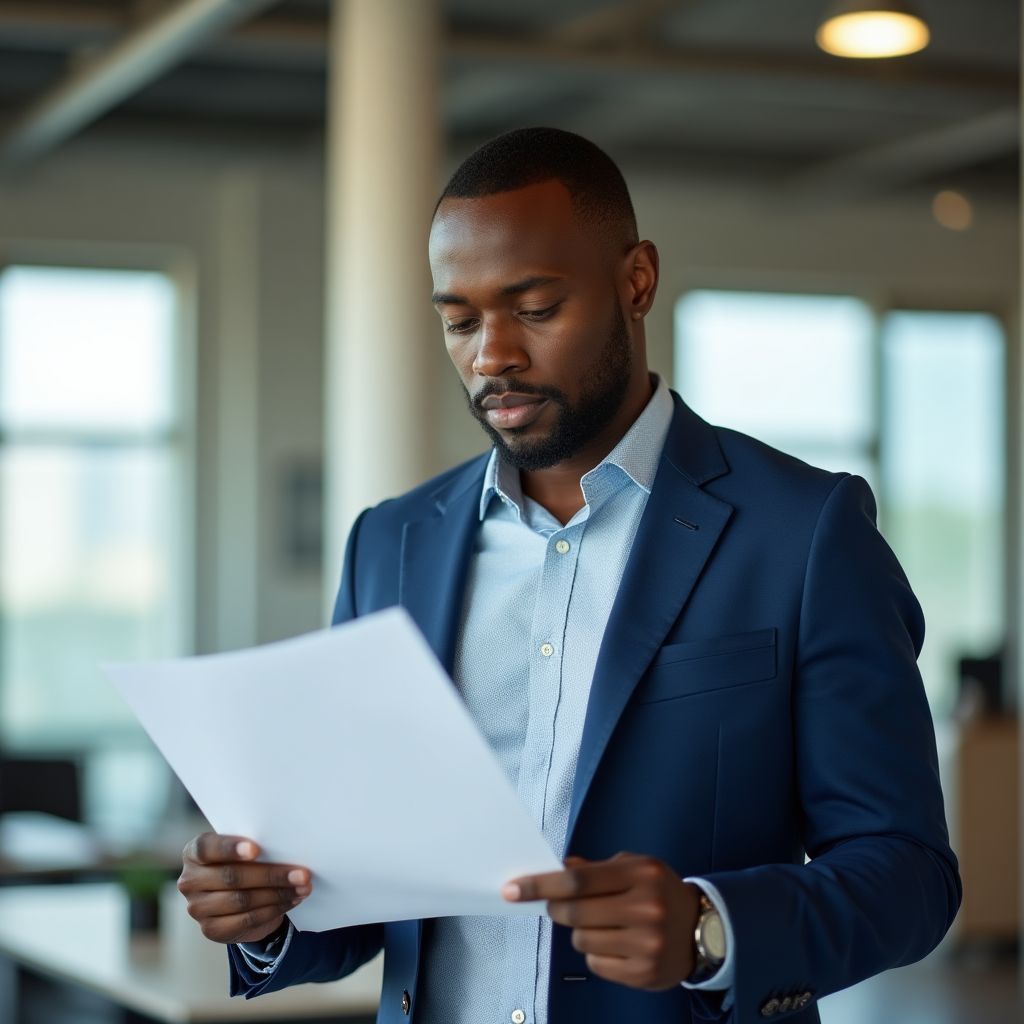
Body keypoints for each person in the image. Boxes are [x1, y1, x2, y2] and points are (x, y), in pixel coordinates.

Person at [177, 127, 960, 1024]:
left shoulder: (805, 533)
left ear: (636, 283)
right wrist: (268, 911)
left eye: (536, 309)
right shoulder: (389, 544)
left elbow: (908, 873)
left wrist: (712, 926)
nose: (491, 356)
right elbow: (369, 890)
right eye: (461, 321)